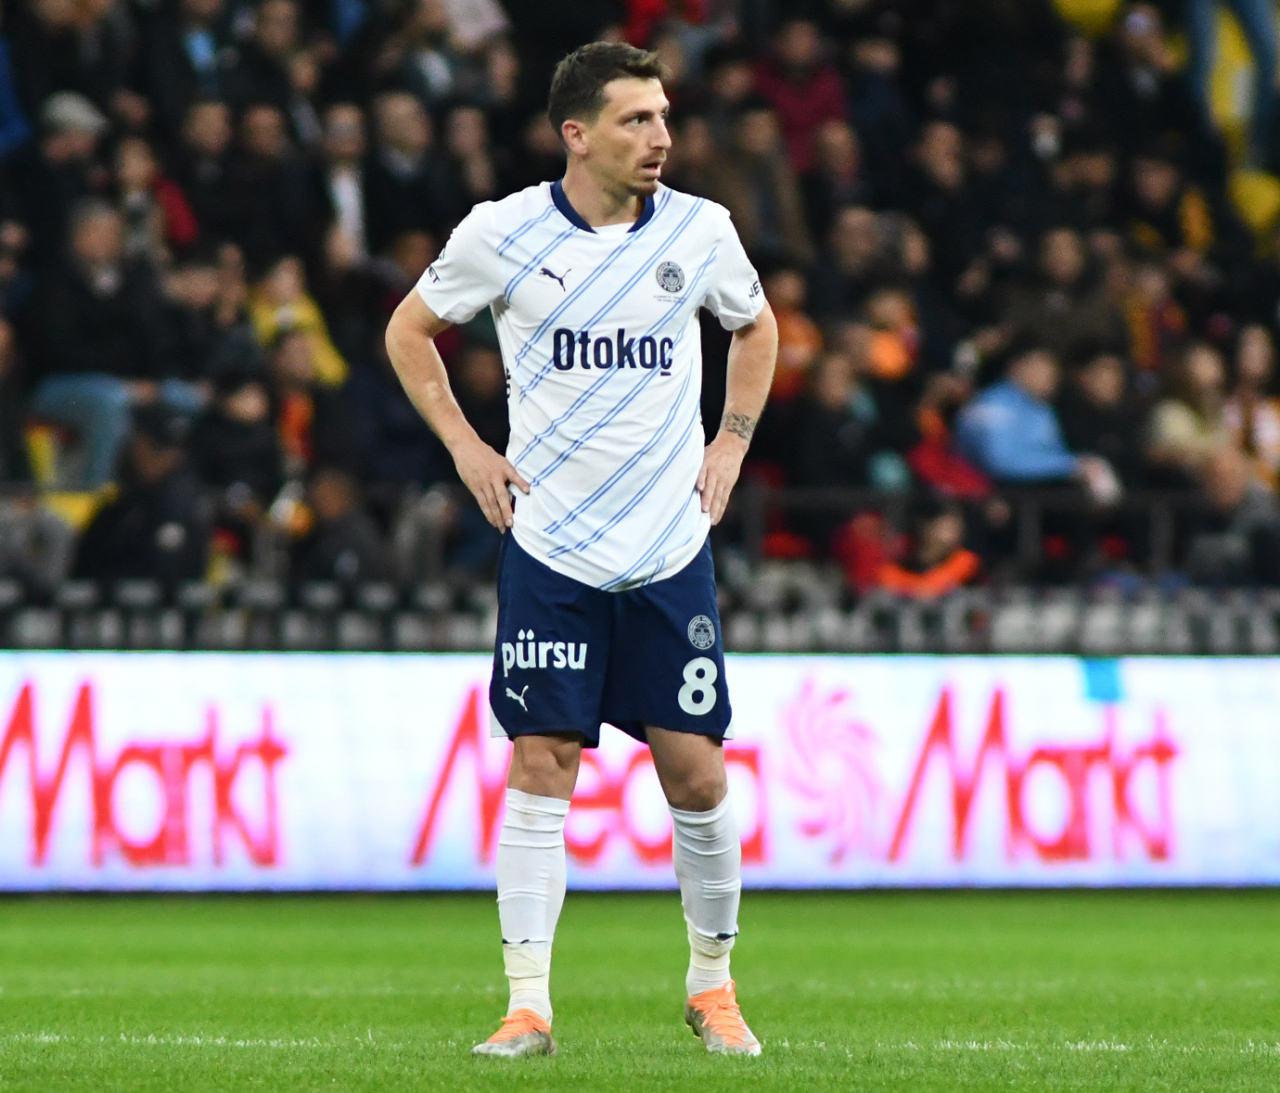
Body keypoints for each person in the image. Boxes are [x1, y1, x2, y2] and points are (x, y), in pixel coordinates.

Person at [384, 42, 777, 1059]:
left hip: (665, 548)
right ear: (577, 134)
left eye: (663, 116)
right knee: (540, 759)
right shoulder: (501, 232)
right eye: (636, 119)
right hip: (551, 546)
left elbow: (756, 328)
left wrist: (730, 442)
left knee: (695, 774)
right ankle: (527, 1006)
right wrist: (467, 447)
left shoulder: (700, 230)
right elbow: (408, 332)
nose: (661, 137)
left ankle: (712, 985)